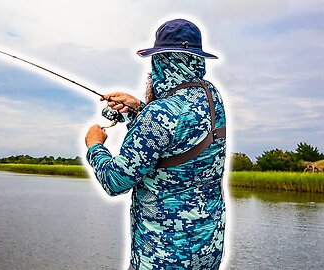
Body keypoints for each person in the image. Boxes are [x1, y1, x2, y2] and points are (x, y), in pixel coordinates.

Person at [85, 18, 227, 270]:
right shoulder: (212, 97)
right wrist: (138, 108)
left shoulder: (158, 116)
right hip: (207, 251)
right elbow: (177, 140)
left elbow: (115, 181)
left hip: (162, 257)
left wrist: (95, 146)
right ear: (196, 58)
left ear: (162, 61)